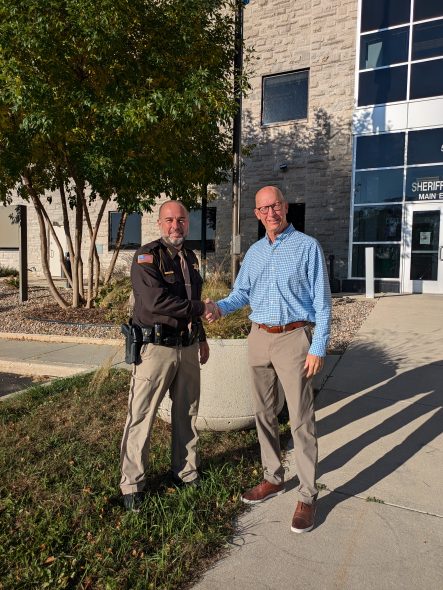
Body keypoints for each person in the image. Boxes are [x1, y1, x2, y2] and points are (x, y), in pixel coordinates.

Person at [206, 186, 331, 533]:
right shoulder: (255, 252)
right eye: (263, 209)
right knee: (263, 413)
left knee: (301, 419)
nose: (270, 213)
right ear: (257, 214)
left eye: (274, 205)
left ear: (285, 207)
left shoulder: (308, 247)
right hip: (259, 337)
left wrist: (318, 346)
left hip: (294, 339)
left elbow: (322, 303)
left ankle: (307, 494)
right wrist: (218, 307)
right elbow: (241, 294)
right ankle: (273, 477)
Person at [120, 200, 212, 511]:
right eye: (170, 220)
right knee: (141, 416)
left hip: (186, 348)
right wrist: (201, 309)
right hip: (156, 350)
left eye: (182, 220)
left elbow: (192, 298)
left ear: (188, 223)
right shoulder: (147, 256)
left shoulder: (191, 258)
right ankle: (132, 484)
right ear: (160, 224)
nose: (176, 225)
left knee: (186, 413)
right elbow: (155, 301)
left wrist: (201, 336)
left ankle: (184, 471)